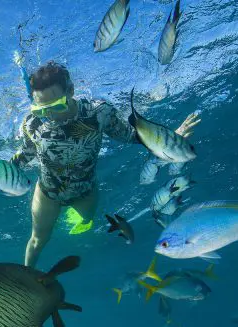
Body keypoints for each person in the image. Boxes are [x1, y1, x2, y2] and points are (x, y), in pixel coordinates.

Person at [12, 61, 200, 268]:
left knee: (86, 220)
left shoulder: (98, 113)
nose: (49, 115)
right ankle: (26, 276)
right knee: (38, 240)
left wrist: (170, 140)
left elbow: (130, 136)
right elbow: (26, 153)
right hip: (48, 194)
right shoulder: (32, 122)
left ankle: (78, 220)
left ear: (71, 91)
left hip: (85, 191)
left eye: (56, 106)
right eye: (41, 109)